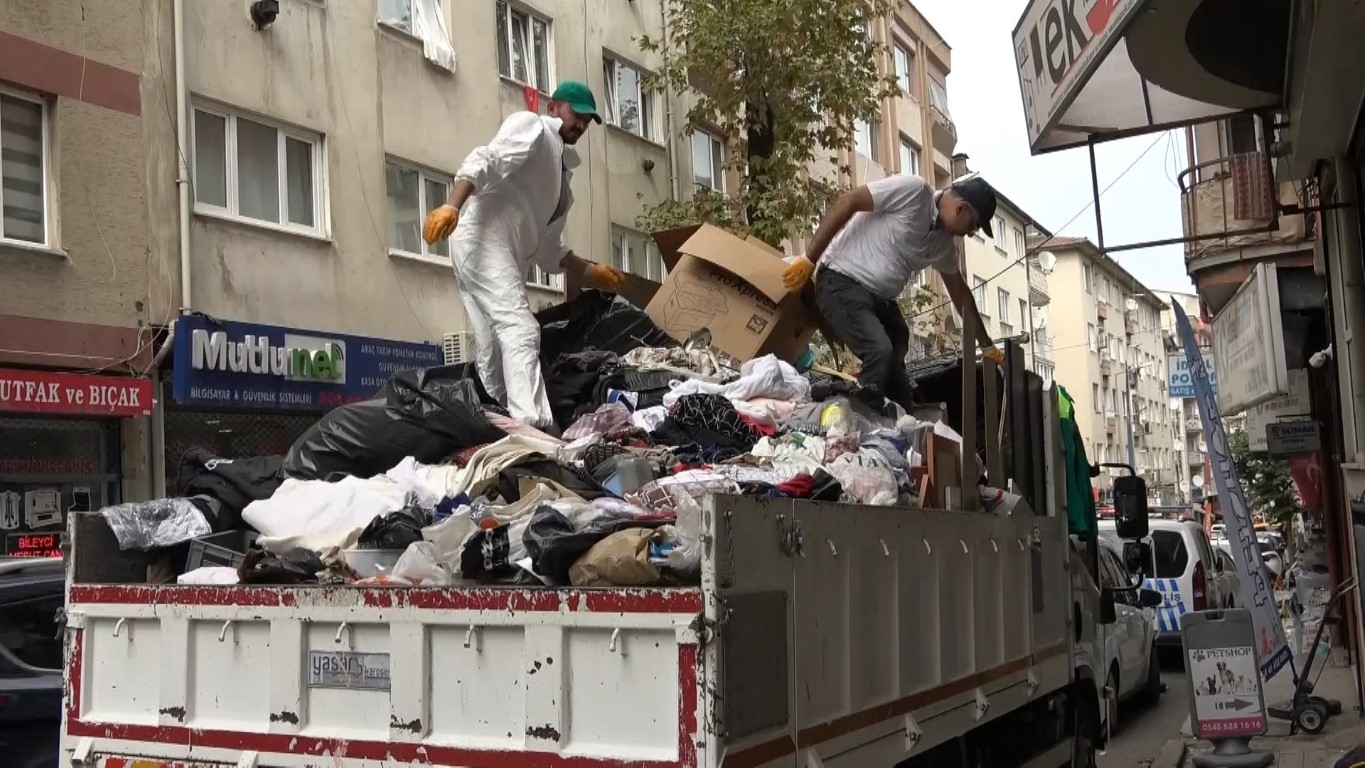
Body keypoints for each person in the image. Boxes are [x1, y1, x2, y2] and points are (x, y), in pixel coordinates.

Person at [422, 81, 625, 430]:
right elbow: (487, 159)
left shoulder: (562, 183)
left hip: (498, 255)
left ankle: (496, 421)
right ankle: (535, 428)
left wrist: (592, 272)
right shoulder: (532, 127)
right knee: (520, 328)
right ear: (553, 108)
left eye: (588, 120)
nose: (581, 124)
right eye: (576, 113)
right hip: (482, 240)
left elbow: (549, 252)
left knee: (494, 351)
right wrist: (451, 205)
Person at [781, 173, 1006, 410]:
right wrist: (809, 258)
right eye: (973, 226)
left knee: (898, 339)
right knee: (880, 351)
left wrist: (987, 345)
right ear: (960, 209)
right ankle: (854, 423)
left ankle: (902, 415)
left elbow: (961, 295)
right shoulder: (915, 192)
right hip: (840, 280)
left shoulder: (943, 245)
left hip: (879, 299)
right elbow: (849, 201)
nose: (970, 233)